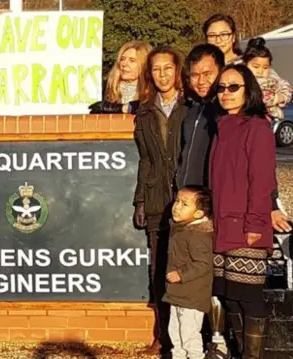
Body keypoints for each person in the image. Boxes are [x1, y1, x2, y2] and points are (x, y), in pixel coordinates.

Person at [209, 64, 275, 359]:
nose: (226, 93)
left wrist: (256, 224)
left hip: (247, 226)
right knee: (229, 296)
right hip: (221, 226)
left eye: (233, 87)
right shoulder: (222, 126)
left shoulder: (257, 127)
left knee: (249, 299)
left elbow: (262, 181)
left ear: (248, 90)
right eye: (221, 88)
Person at [133, 46, 186, 357]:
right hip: (156, 198)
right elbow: (145, 160)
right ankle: (162, 336)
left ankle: (194, 336)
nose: (163, 74)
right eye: (156, 69)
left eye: (168, 68)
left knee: (189, 268)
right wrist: (140, 199)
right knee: (158, 270)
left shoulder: (191, 106)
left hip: (187, 198)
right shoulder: (144, 111)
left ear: (177, 70)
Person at [163, 186, 214, 359]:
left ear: (199, 214)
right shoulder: (181, 229)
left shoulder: (198, 234)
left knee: (189, 336)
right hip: (178, 294)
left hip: (192, 296)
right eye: (177, 201)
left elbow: (203, 263)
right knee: (175, 334)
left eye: (184, 204)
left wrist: (181, 274)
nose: (176, 206)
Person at [89, 40, 152, 114]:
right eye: (122, 59)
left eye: (132, 61)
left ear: (145, 65)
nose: (124, 64)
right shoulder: (107, 88)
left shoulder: (153, 91)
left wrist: (121, 108)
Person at [243, 37, 292, 121]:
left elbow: (286, 88)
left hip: (267, 119)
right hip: (247, 116)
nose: (260, 71)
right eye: (256, 67)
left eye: (265, 67)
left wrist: (279, 98)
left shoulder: (273, 78)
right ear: (245, 64)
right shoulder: (242, 79)